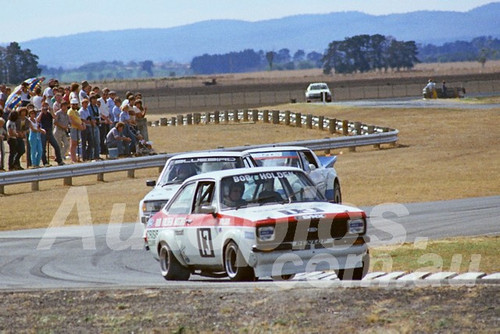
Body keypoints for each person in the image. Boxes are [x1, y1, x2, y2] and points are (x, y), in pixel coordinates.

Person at [37, 101, 64, 166]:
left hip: (49, 132)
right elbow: (37, 120)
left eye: (46, 105)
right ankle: (45, 162)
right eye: (44, 106)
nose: (45, 107)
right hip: (43, 132)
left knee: (56, 146)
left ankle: (59, 160)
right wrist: (42, 112)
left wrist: (51, 110)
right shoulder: (40, 114)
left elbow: (55, 117)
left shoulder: (49, 114)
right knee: (43, 148)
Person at [67, 98, 83, 163]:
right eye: (74, 105)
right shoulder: (70, 111)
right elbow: (71, 120)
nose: (75, 106)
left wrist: (81, 124)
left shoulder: (76, 111)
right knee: (73, 143)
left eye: (76, 104)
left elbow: (78, 119)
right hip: (74, 128)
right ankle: (73, 159)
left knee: (76, 143)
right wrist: (79, 125)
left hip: (77, 128)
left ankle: (76, 157)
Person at [88, 95, 101, 160]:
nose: (95, 101)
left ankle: (97, 155)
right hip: (91, 126)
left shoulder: (96, 107)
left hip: (97, 125)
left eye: (96, 99)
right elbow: (90, 116)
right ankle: (91, 156)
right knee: (92, 141)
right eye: (94, 99)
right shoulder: (89, 107)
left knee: (97, 141)